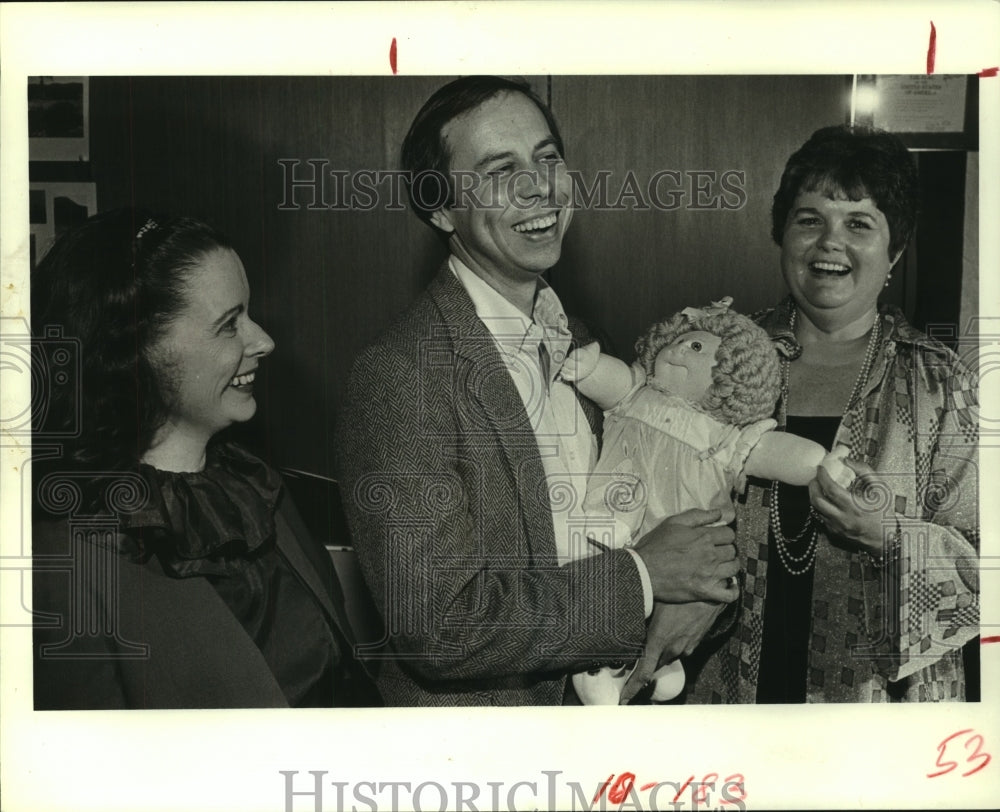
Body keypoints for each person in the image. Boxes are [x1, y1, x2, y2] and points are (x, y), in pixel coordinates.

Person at [335, 76, 739, 706]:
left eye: (548, 158)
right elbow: (440, 627)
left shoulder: (580, 341)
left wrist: (698, 597)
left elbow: (671, 485)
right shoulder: (398, 378)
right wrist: (643, 579)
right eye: (501, 170)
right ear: (440, 208)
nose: (540, 186)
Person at [31, 208, 375, 709]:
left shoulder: (253, 488)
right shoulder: (66, 560)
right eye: (228, 324)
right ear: (135, 351)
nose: (264, 341)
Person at [682, 125, 979, 703]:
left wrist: (888, 536)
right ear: (782, 235)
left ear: (895, 251)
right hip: (728, 681)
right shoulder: (719, 356)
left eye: (859, 224)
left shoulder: (941, 383)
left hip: (874, 706)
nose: (829, 243)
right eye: (809, 219)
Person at [562, 297, 853, 704]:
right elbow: (615, 383)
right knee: (606, 576)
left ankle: (657, 663)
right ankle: (600, 665)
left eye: (698, 348)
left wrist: (822, 464)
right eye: (680, 342)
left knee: (669, 594)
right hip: (613, 517)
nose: (682, 350)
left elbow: (773, 453)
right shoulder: (639, 394)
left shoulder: (725, 437)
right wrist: (589, 369)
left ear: (732, 372)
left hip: (685, 544)